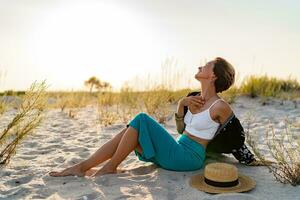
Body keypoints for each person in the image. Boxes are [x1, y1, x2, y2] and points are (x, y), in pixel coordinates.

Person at [49, 57, 254, 177]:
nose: (200, 66)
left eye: (206, 65)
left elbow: (236, 135)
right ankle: (83, 166)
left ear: (213, 75)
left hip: (188, 158)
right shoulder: (192, 98)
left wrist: (249, 159)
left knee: (141, 119)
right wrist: (181, 105)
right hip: (178, 146)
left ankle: (109, 167)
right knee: (129, 130)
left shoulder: (220, 106)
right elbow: (183, 130)